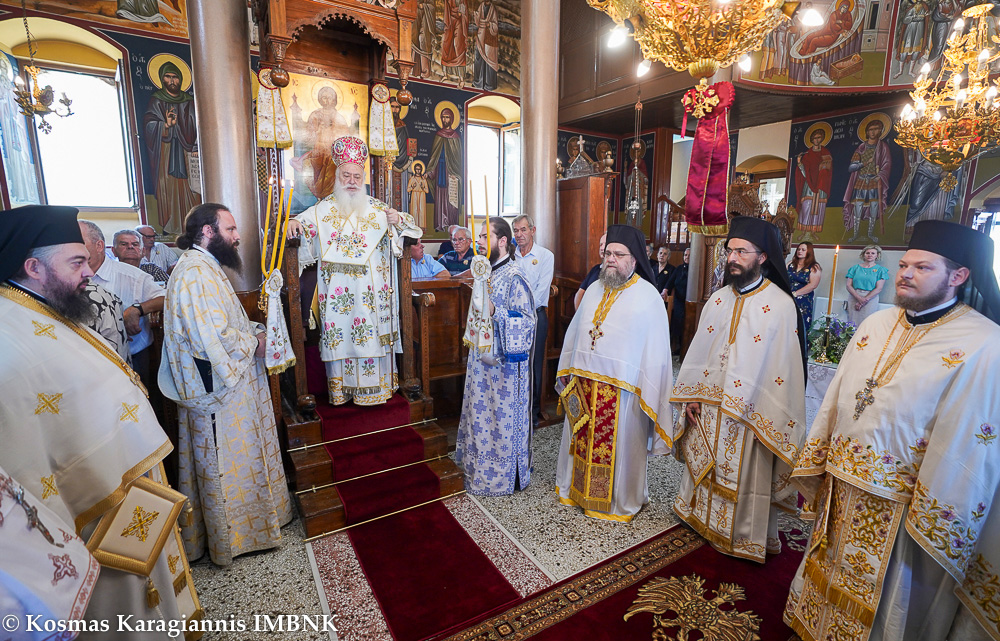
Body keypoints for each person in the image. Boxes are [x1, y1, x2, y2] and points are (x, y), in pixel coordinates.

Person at [784, 220, 1000, 641]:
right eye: (904, 265)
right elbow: (839, 396)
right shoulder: (875, 325)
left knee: (890, 599)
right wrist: (822, 458)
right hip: (843, 485)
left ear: (958, 276)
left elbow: (971, 438)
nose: (905, 274)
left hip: (905, 504)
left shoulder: (983, 344)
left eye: (922, 267)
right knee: (826, 569)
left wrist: (929, 502)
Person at [0, 204, 197, 634]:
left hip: (124, 486)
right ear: (33, 266)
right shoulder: (9, 336)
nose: (89, 271)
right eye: (76, 262)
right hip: (92, 506)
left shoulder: (48, 306)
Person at [159, 202, 292, 566]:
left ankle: (253, 526)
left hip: (231, 381)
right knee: (227, 461)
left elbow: (227, 321)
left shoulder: (205, 266)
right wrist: (254, 342)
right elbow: (209, 336)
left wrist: (255, 331)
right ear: (207, 231)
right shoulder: (194, 273)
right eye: (230, 229)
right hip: (220, 391)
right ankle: (233, 536)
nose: (237, 237)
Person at [670, 217, 807, 562]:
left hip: (751, 414)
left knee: (744, 472)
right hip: (709, 408)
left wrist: (763, 411)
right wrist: (692, 396)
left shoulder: (780, 305)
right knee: (704, 467)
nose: (732, 257)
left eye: (741, 251)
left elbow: (784, 369)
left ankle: (744, 535)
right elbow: (700, 353)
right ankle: (698, 518)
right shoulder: (718, 299)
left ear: (762, 257)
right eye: (729, 250)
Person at [287, 136, 422, 405]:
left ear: (363, 178)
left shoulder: (379, 209)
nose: (351, 180)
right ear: (337, 176)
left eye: (356, 176)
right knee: (342, 334)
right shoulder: (322, 209)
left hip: (374, 297)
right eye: (346, 175)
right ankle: (342, 391)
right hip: (340, 298)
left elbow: (411, 228)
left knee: (372, 335)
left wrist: (398, 220)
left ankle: (380, 389)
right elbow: (302, 226)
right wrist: (291, 221)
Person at [556, 225, 672, 522]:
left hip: (623, 395)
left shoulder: (648, 297)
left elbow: (656, 354)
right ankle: (577, 490)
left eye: (619, 254)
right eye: (608, 253)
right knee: (580, 440)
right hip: (585, 386)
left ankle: (619, 500)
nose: (611, 259)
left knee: (619, 448)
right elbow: (576, 334)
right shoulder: (595, 288)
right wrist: (568, 368)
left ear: (635, 260)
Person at [455, 217, 535, 495]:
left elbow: (527, 322)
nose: (478, 242)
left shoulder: (515, 275)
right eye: (477, 236)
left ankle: (503, 477)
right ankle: (477, 470)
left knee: (497, 422)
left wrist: (495, 312)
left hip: (504, 371)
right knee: (480, 417)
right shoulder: (486, 273)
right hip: (481, 364)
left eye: (483, 236)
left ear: (502, 241)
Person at [79, 220, 165, 391]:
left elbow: (167, 298)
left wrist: (136, 310)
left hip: (132, 358)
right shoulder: (70, 276)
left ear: (99, 245)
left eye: (79, 243)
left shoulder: (133, 276)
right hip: (86, 359)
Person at [143, 60, 200, 236]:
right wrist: (166, 126)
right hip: (166, 153)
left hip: (187, 151)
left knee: (192, 191)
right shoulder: (157, 100)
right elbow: (149, 125)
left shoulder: (190, 101)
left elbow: (199, 126)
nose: (172, 80)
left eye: (175, 76)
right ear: (162, 79)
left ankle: (194, 227)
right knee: (169, 188)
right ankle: (171, 226)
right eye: (168, 76)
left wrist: (189, 134)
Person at [512, 214, 554, 426]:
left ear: (533, 230)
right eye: (516, 231)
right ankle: (515, 408)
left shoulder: (545, 256)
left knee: (533, 364)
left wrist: (519, 308)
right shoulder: (511, 256)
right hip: (512, 318)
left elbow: (540, 291)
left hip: (535, 316)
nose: (519, 234)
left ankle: (533, 412)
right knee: (514, 363)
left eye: (523, 230)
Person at [291, 86, 352, 200]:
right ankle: (320, 196)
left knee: (332, 172)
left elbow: (345, 138)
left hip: (333, 153)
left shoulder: (339, 117)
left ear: (334, 100)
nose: (327, 100)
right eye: (324, 97)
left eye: (330, 98)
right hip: (318, 150)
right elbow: (308, 135)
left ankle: (330, 197)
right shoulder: (315, 114)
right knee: (313, 169)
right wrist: (318, 130)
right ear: (319, 99)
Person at [843, 118, 891, 243]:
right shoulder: (861, 148)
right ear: (866, 131)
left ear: (880, 131)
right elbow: (852, 167)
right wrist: (864, 163)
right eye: (870, 129)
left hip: (874, 182)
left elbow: (887, 164)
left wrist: (880, 175)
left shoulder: (882, 147)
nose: (873, 132)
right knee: (857, 208)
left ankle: (870, 234)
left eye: (876, 129)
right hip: (860, 182)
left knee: (874, 207)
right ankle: (856, 234)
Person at [426, 107, 463, 231]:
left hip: (451, 173)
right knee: (440, 197)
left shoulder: (456, 137)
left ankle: (452, 225)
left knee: (450, 199)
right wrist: (430, 172)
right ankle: (440, 224)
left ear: (452, 119)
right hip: (439, 171)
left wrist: (456, 174)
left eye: (447, 117)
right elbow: (434, 156)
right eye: (443, 117)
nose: (445, 119)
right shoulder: (438, 135)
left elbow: (457, 160)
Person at [794, 128, 834, 239]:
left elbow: (829, 168)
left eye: (819, 137)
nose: (817, 140)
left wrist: (823, 169)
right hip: (809, 185)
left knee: (819, 208)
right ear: (811, 139)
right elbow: (804, 172)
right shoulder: (807, 154)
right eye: (815, 138)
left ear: (822, 139)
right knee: (806, 207)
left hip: (821, 184)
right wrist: (799, 163)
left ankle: (813, 231)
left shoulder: (825, 153)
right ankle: (803, 231)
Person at [845, 243, 890, 326]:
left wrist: (864, 300)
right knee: (852, 322)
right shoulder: (855, 268)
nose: (870, 255)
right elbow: (848, 285)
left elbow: (879, 288)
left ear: (877, 255)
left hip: (870, 298)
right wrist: (859, 298)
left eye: (873, 253)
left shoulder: (880, 270)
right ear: (863, 254)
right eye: (867, 253)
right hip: (855, 295)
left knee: (867, 323)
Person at [787, 241, 823, 329]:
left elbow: (813, 285)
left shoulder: (814, 267)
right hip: (788, 297)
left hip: (803, 300)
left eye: (803, 250)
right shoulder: (790, 264)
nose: (800, 251)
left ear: (809, 252)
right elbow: (783, 277)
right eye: (798, 249)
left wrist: (795, 293)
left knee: (801, 325)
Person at [664, 246, 690, 353]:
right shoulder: (679, 268)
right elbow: (670, 282)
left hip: (689, 301)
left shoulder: (696, 268)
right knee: (677, 323)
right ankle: (676, 347)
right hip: (678, 300)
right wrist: (665, 290)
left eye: (689, 255)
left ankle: (684, 347)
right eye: (685, 255)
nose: (687, 257)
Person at [574, 232, 606, 310]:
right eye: (600, 244)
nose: (602, 248)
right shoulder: (595, 269)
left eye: (605, 244)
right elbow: (580, 292)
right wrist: (578, 316)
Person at [473, 0, 500, 91]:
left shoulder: (493, 9)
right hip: (481, 35)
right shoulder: (481, 6)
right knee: (478, 58)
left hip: (489, 38)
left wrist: (489, 24)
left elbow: (496, 26)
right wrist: (476, 16)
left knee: (489, 60)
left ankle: (489, 84)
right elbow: (477, 22)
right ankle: (478, 82)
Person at [407, 161, 429, 228]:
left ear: (421, 170)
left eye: (419, 169)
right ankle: (414, 226)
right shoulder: (412, 179)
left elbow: (427, 191)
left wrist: (422, 187)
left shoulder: (423, 179)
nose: (418, 171)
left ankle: (422, 226)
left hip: (422, 195)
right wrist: (412, 187)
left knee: (421, 211)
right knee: (414, 210)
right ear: (414, 169)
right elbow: (408, 190)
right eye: (416, 169)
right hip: (414, 195)